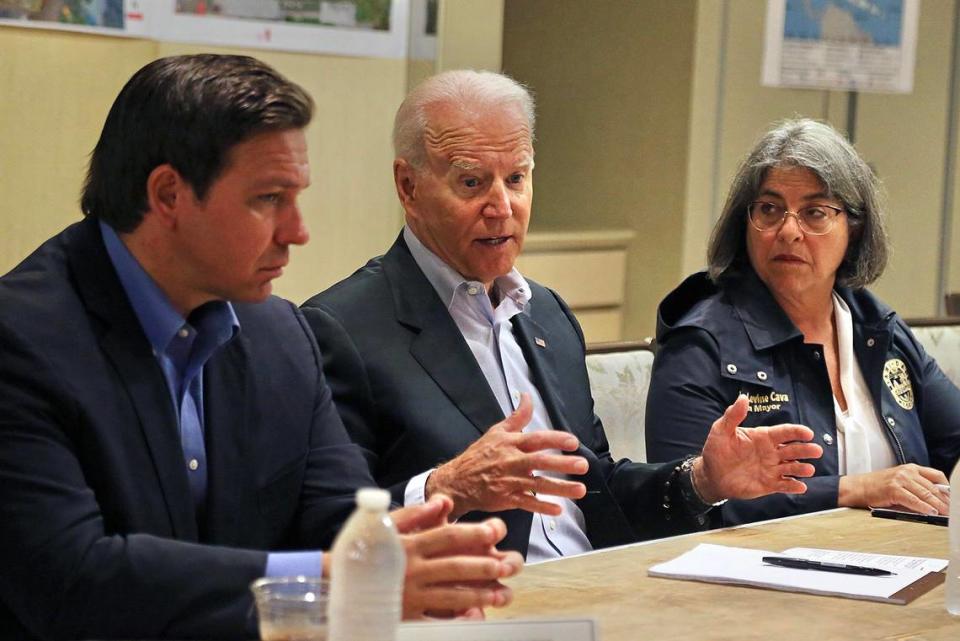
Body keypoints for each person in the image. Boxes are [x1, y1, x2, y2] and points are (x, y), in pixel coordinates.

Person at [0, 55, 522, 641]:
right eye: (270, 199)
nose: (297, 231)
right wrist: (334, 578)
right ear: (169, 194)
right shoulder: (20, 340)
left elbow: (337, 521)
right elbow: (71, 580)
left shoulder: (280, 335)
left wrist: (413, 566)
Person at [300, 70, 823, 561]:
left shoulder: (546, 314)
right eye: (471, 183)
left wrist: (702, 480)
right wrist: (444, 489)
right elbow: (326, 535)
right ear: (408, 187)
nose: (502, 206)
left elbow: (596, 491)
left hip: (593, 592)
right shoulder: (340, 329)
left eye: (517, 179)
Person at [646, 118, 960, 526]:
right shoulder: (700, 344)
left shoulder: (876, 328)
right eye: (770, 209)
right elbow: (683, 500)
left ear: (854, 227)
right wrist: (854, 488)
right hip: (761, 579)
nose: (788, 231)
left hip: (902, 566)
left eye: (814, 212)